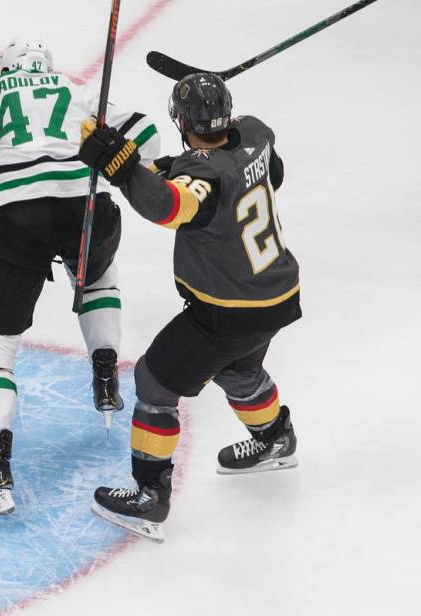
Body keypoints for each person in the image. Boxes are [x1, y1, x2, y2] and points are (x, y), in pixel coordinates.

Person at [77, 72, 301, 541]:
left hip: (225, 310)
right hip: (275, 297)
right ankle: (275, 438)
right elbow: (264, 173)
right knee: (237, 371)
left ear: (180, 121)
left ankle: (149, 497)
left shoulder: (203, 176)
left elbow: (171, 205)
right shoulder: (256, 134)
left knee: (154, 382)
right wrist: (151, 166)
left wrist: (123, 168)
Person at [0, 37, 160, 517]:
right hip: (89, 204)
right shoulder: (78, 89)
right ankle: (105, 372)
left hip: (17, 217)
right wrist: (138, 166)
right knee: (97, 278)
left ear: (4, 70)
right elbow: (146, 134)